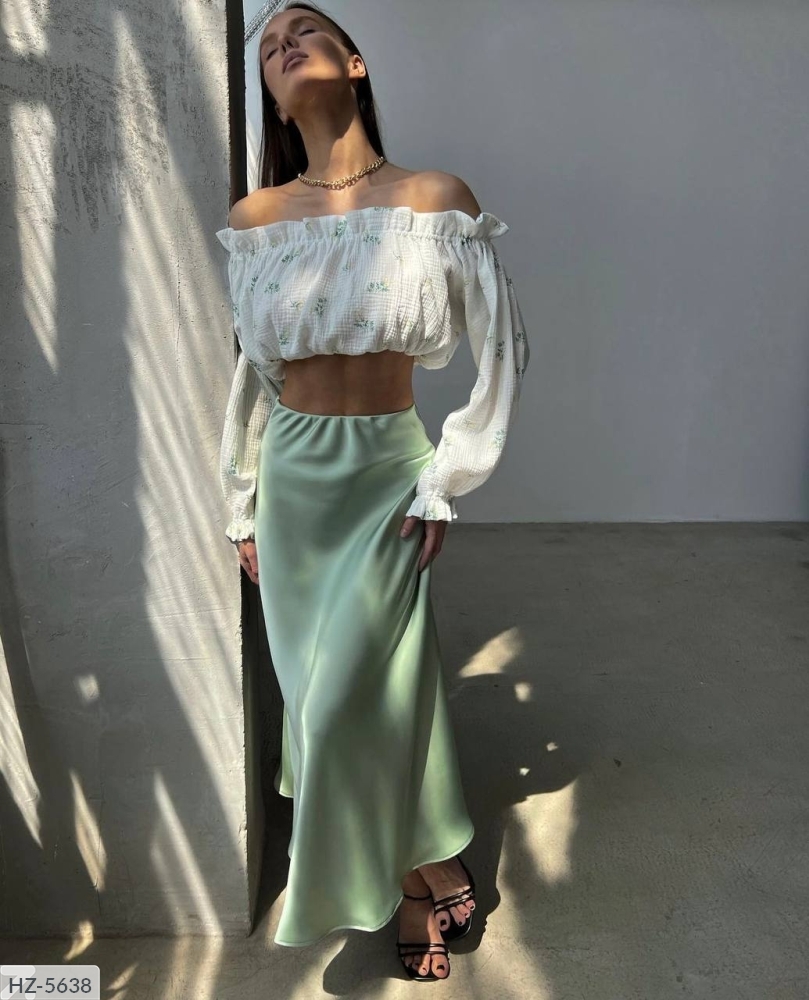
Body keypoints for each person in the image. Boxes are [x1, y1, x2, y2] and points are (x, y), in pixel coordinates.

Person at [215, 0, 529, 982]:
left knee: (352, 701)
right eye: (268, 48)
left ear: (353, 63)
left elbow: (502, 350)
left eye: (303, 31)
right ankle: (421, 873)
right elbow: (253, 378)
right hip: (292, 482)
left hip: (388, 472)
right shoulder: (257, 220)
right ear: (271, 98)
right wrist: (240, 501)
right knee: (330, 704)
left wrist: (446, 478)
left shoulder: (433, 198)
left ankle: (416, 875)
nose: (283, 46)